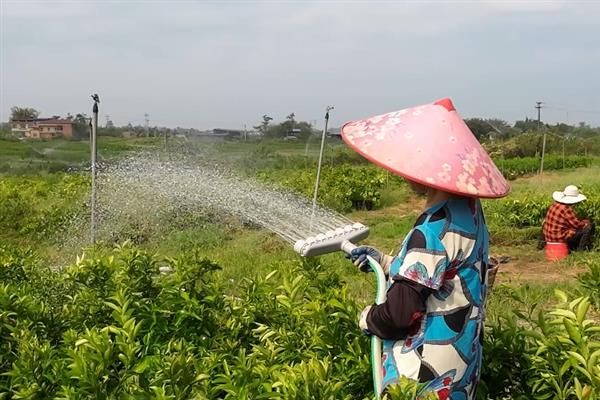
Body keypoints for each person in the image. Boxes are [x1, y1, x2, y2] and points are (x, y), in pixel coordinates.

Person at [340, 98, 510, 400]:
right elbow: (442, 273)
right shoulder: (468, 211)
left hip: (422, 375)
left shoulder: (431, 229)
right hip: (460, 366)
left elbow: (399, 315)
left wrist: (367, 318)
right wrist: (386, 262)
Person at [542, 185, 594, 251]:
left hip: (548, 236)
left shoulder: (554, 204)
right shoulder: (566, 209)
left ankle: (541, 245)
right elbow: (577, 225)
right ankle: (581, 250)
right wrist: (586, 222)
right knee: (587, 228)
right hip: (558, 238)